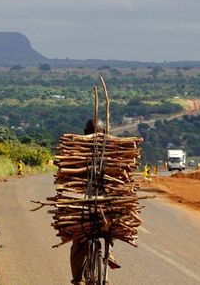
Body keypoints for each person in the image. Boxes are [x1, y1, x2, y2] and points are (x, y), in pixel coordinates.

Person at [70, 118, 118, 284]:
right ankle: (79, 279)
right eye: (95, 133)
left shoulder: (111, 153)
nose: (96, 136)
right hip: (85, 206)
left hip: (98, 206)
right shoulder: (77, 153)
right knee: (83, 240)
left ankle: (107, 254)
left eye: (98, 133)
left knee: (109, 229)